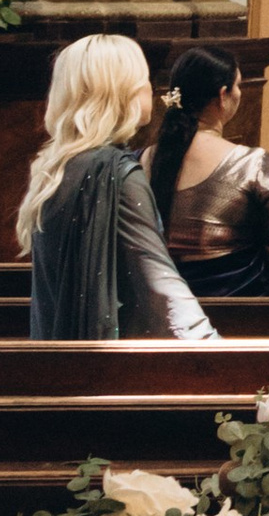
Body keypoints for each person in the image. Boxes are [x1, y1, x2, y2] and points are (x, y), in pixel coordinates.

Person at [18, 36, 214, 340]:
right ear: (122, 91)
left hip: (56, 354)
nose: (150, 88)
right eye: (144, 78)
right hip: (103, 360)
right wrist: (215, 349)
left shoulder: (54, 169)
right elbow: (161, 287)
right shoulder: (118, 174)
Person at [150, 45, 269, 302]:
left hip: (154, 309)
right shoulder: (252, 164)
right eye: (238, 85)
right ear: (222, 95)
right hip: (235, 311)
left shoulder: (140, 160)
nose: (240, 93)